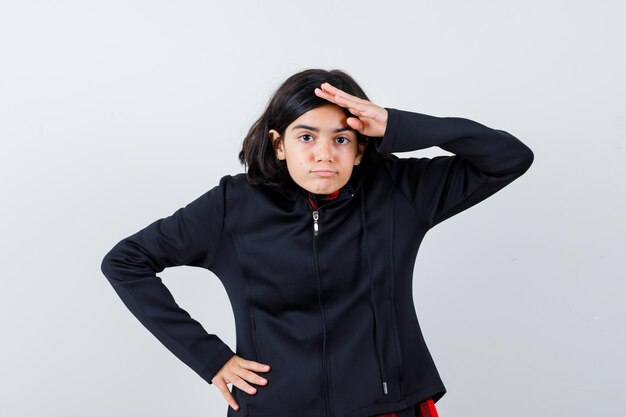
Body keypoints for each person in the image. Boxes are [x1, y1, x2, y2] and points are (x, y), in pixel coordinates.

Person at [100, 68, 534, 417]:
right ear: (279, 144)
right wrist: (208, 357)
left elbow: (510, 157)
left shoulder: (398, 191)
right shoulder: (234, 205)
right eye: (306, 137)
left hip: (388, 405)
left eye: (341, 139)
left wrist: (396, 124)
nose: (324, 154)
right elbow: (125, 261)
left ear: (362, 148)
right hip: (276, 408)